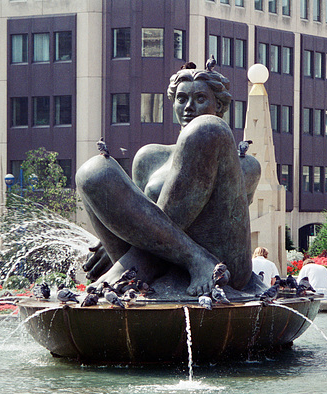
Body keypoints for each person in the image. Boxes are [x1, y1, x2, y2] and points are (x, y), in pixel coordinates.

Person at [77, 66, 261, 297]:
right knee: (93, 171)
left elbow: (228, 219)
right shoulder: (149, 157)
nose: (189, 107)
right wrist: (119, 230)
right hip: (159, 264)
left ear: (221, 106)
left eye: (200, 98)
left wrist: (135, 253)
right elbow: (142, 215)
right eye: (181, 99)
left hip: (220, 265)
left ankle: (139, 262)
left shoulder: (245, 165)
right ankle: (187, 259)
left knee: (206, 130)